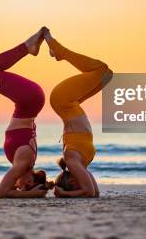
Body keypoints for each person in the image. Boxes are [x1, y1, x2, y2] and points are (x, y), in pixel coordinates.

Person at [0, 28, 52, 198]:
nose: (16, 186)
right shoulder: (23, 163)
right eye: (19, 188)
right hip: (29, 100)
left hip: (31, 100)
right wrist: (31, 195)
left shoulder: (26, 162)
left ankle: (28, 47)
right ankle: (27, 47)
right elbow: (2, 193)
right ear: (30, 183)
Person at [44, 27, 112, 198]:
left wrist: (63, 194)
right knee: (107, 75)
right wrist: (71, 193)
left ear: (73, 182)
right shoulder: (80, 164)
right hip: (70, 104)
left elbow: (88, 192)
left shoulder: (71, 160)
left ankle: (59, 50)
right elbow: (94, 192)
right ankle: (59, 52)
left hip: (62, 101)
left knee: (101, 70)